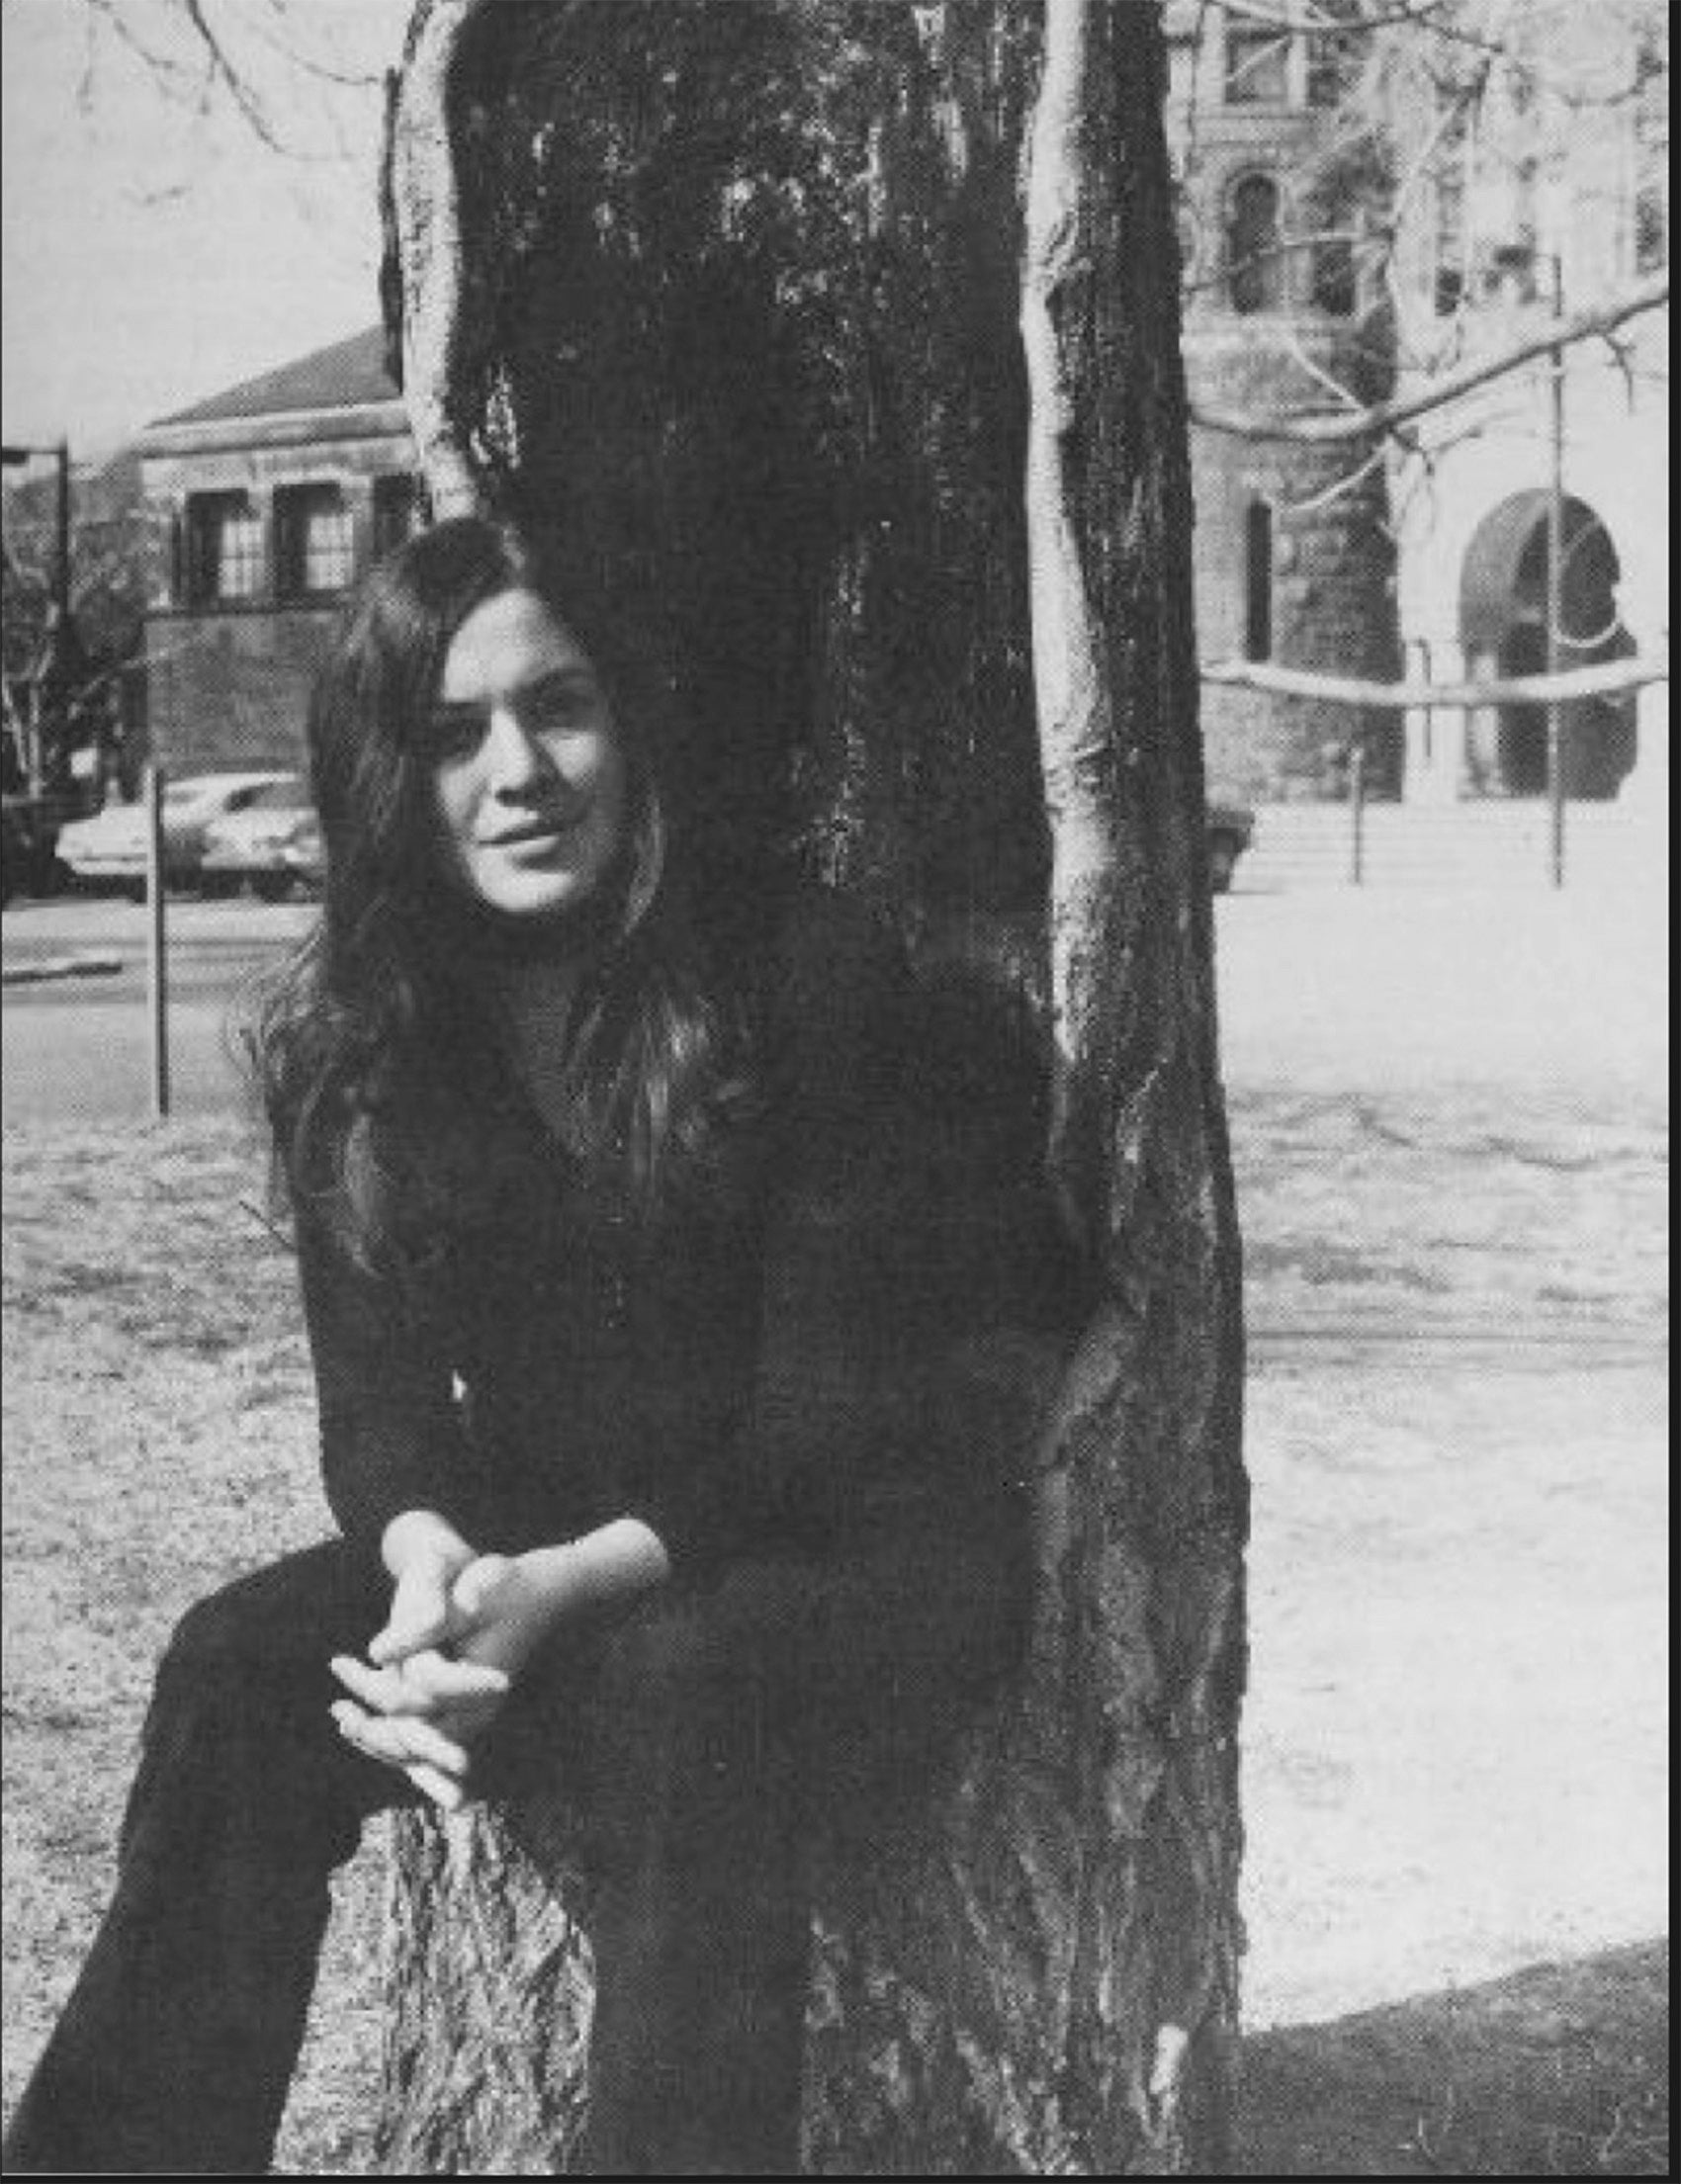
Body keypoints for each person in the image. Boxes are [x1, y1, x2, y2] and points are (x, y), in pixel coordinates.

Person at [2, 516, 1077, 2178]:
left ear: (629, 729)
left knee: (690, 1680)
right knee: (238, 1666)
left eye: (559, 707)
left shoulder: (800, 976)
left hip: (852, 1547)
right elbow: (376, 1415)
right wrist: (428, 1574)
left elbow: (825, 1419)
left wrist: (561, 1586)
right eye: (452, 733)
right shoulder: (365, 1040)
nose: (519, 771)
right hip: (553, 1559)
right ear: (388, 780)